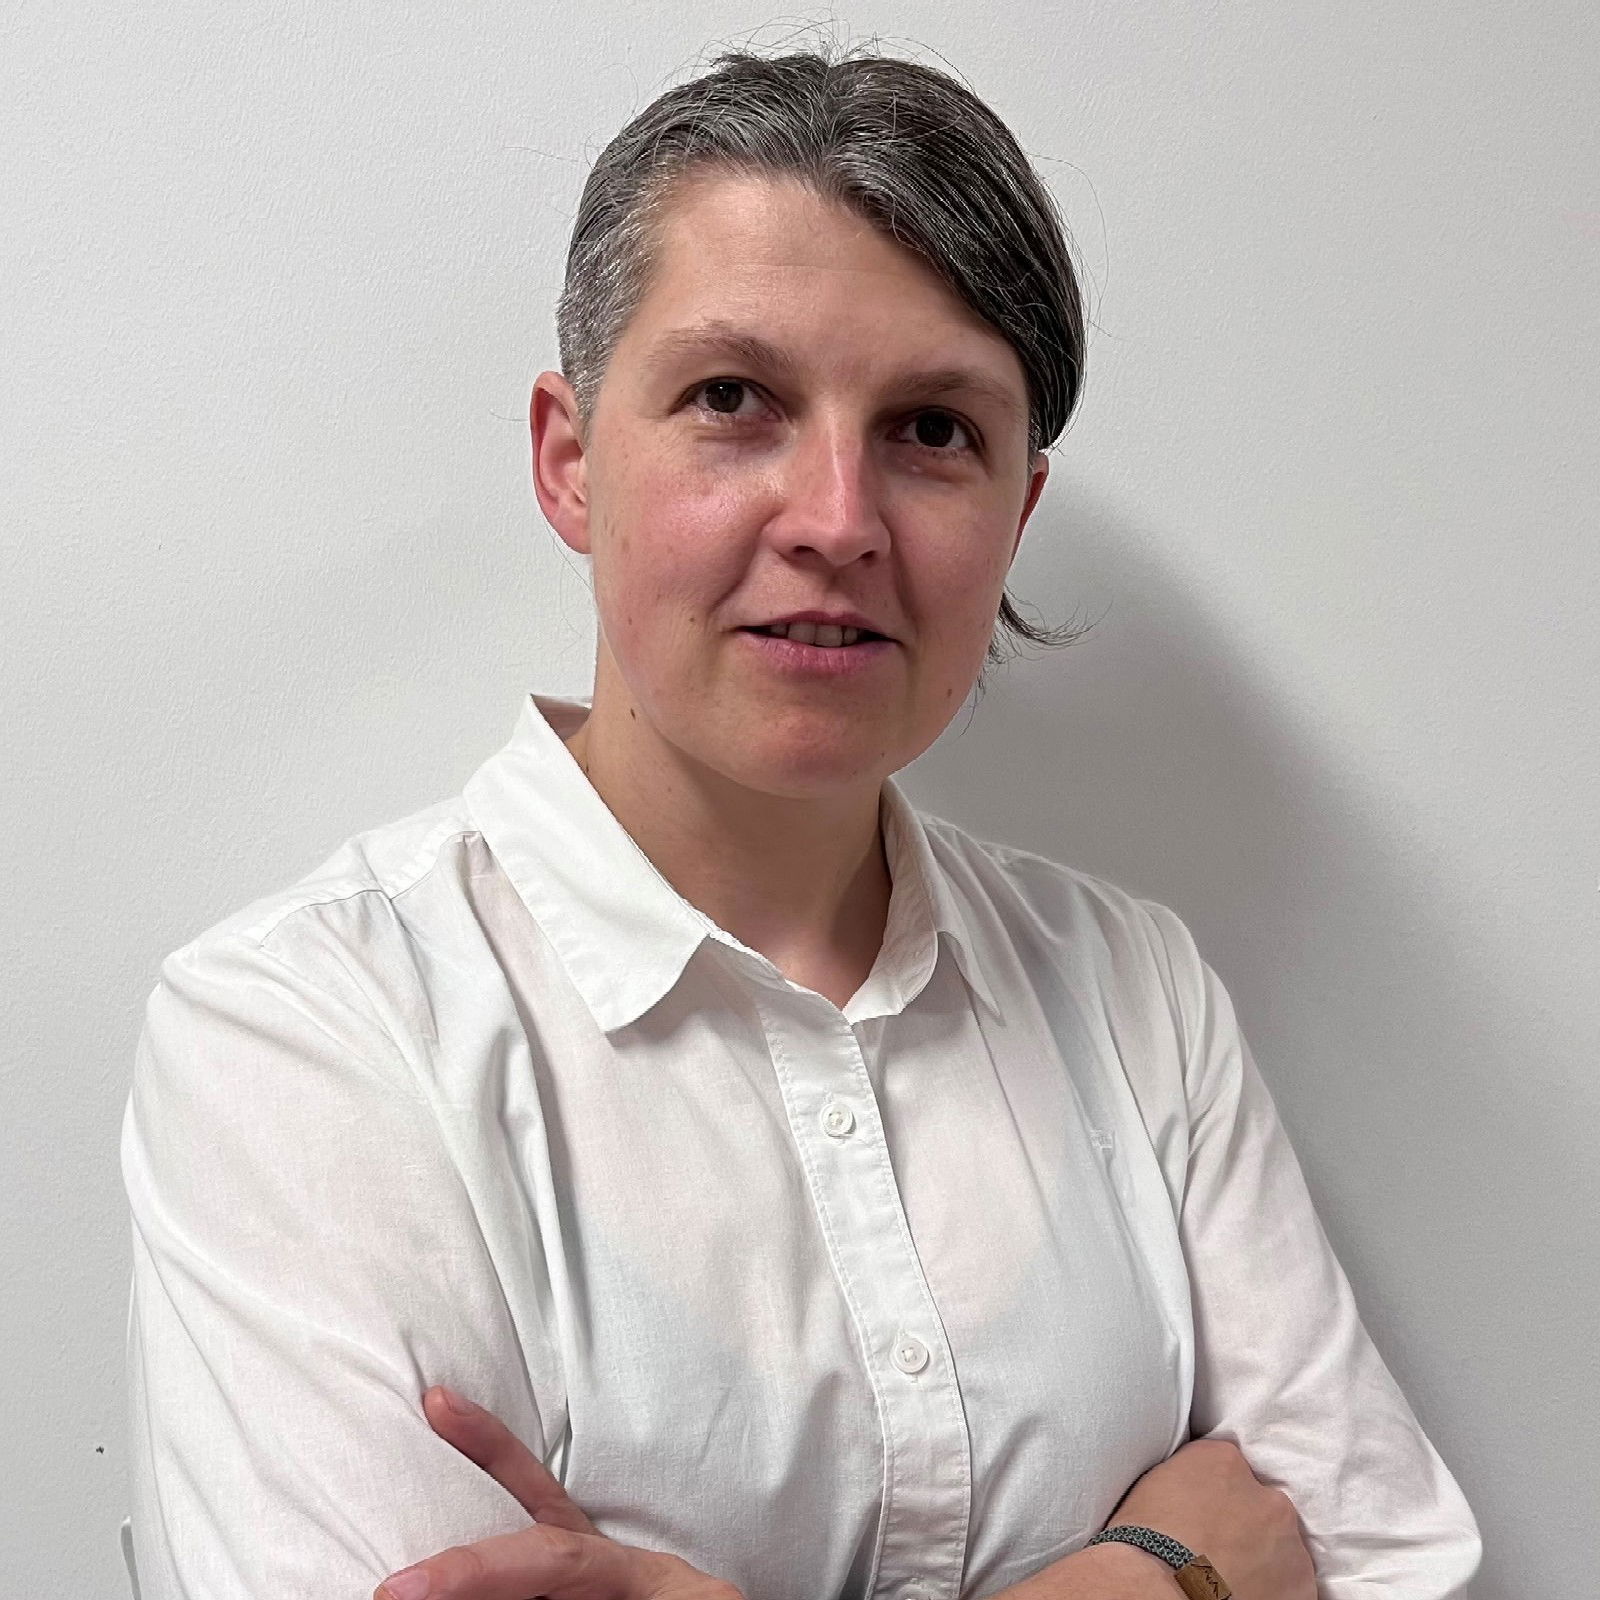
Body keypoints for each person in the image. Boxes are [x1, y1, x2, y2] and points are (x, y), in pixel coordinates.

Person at [121, 42, 1481, 1600]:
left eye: (933, 430)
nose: (837, 520)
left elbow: (1390, 1559)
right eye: (733, 400)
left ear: (1016, 513)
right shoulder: (305, 1030)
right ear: (570, 462)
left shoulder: (1132, 984)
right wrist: (1165, 1573)